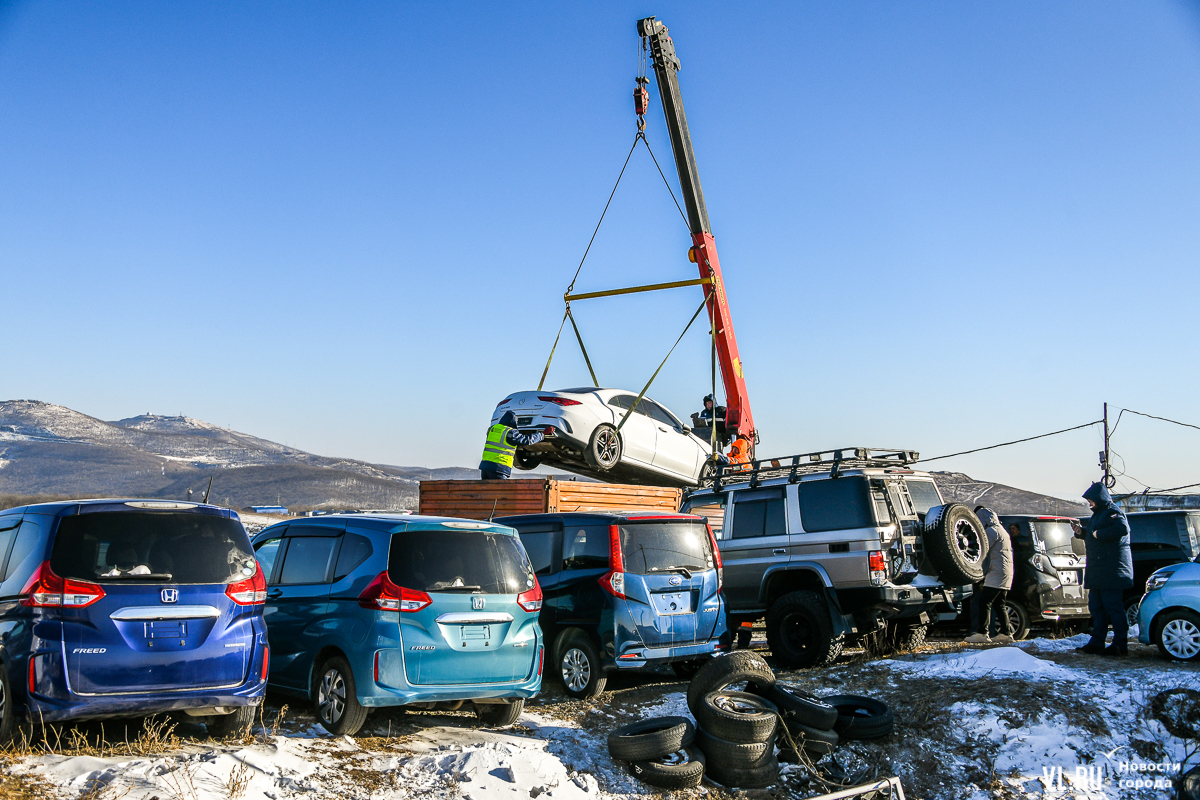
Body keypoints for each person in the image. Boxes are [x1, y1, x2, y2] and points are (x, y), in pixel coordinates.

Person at [1076, 481, 1134, 656]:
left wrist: (1098, 534)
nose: (1089, 503)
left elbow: (1122, 529)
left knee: (1114, 609)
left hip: (1111, 571)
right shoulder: (1098, 515)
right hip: (1099, 571)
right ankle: (1097, 642)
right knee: (1097, 608)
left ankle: (1119, 645)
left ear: (1099, 498)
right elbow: (1094, 535)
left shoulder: (1113, 512)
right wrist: (1082, 533)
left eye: (1091, 500)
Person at [965, 506, 1014, 644]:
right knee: (999, 603)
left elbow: (981, 548)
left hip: (995, 572)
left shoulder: (991, 531)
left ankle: (982, 632)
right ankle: (1006, 632)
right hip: (1005, 572)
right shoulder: (1001, 530)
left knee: (984, 602)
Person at [478, 410, 544, 480]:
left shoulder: (492, 429)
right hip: (499, 469)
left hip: (485, 468)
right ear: (513, 421)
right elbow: (527, 440)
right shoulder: (510, 432)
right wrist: (542, 434)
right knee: (500, 490)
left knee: (487, 490)